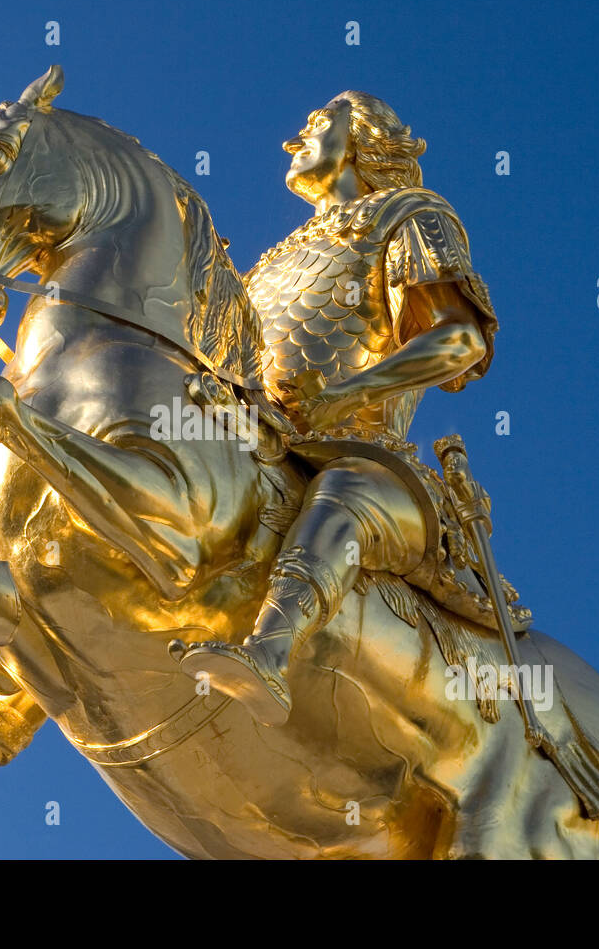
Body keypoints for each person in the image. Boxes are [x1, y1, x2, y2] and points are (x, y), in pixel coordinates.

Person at [175, 91, 498, 725]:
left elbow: (460, 340)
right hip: (258, 432)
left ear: (363, 144)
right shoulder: (271, 259)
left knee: (346, 494)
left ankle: (270, 650)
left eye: (317, 128)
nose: (293, 142)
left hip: (362, 452)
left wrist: (344, 399)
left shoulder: (411, 215)